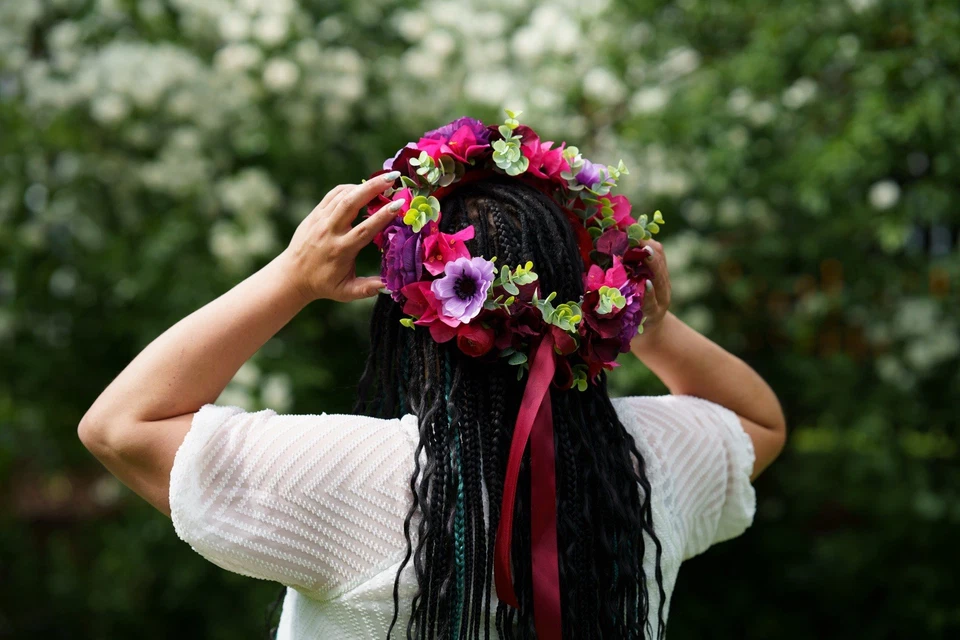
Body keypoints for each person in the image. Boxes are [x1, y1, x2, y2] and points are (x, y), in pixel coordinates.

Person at [79, 116, 786, 640]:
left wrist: (291, 279)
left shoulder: (347, 478)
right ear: (586, 295)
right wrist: (653, 323)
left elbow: (119, 426)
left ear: (416, 308)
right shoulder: (650, 463)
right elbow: (759, 424)